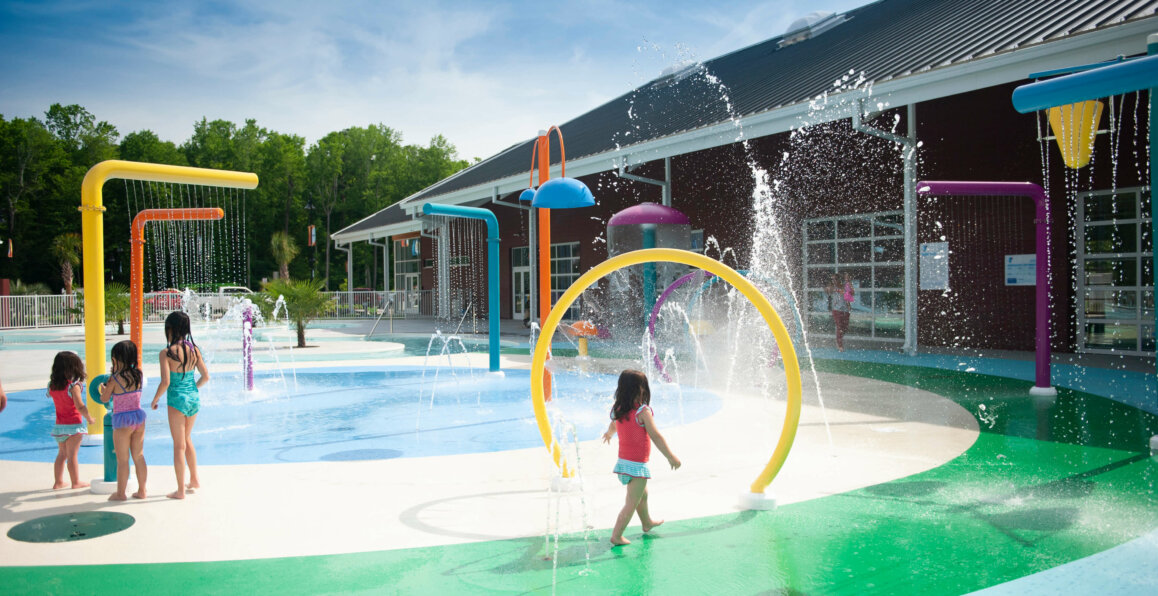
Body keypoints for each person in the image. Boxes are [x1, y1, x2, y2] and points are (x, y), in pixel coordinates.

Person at [601, 369, 681, 546]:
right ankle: (617, 535)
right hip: (637, 465)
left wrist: (609, 433)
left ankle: (646, 522)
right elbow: (656, 436)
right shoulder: (642, 412)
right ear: (641, 389)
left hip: (623, 463)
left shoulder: (619, 408)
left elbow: (613, 425)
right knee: (631, 502)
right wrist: (671, 456)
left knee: (641, 496)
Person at [151, 311, 209, 500]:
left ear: (170, 329)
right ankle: (194, 480)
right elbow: (205, 376)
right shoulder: (194, 350)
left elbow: (165, 382)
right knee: (187, 439)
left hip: (177, 400)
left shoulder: (167, 353)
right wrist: (193, 389)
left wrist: (155, 399)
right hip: (193, 398)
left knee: (178, 446)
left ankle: (180, 491)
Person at [100, 340, 148, 501]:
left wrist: (103, 389)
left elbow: (104, 399)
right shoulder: (139, 374)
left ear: (117, 358)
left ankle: (121, 493)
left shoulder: (115, 379)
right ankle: (142, 490)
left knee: (123, 460)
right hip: (138, 418)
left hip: (122, 421)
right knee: (139, 456)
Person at [47, 351, 93, 489]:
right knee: (72, 455)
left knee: (61, 454)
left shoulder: (52, 385)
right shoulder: (74, 386)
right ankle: (76, 482)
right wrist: (89, 417)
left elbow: (53, 397)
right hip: (73, 425)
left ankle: (58, 482)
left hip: (59, 426)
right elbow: (80, 406)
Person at [826, 272, 854, 352]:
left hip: (845, 309)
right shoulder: (832, 287)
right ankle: (840, 345)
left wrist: (847, 292)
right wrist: (832, 287)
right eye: (832, 279)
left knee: (845, 328)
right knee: (839, 327)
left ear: (839, 279)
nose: (834, 280)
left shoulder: (845, 286)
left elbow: (851, 294)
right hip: (836, 310)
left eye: (835, 279)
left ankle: (840, 338)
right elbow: (828, 290)